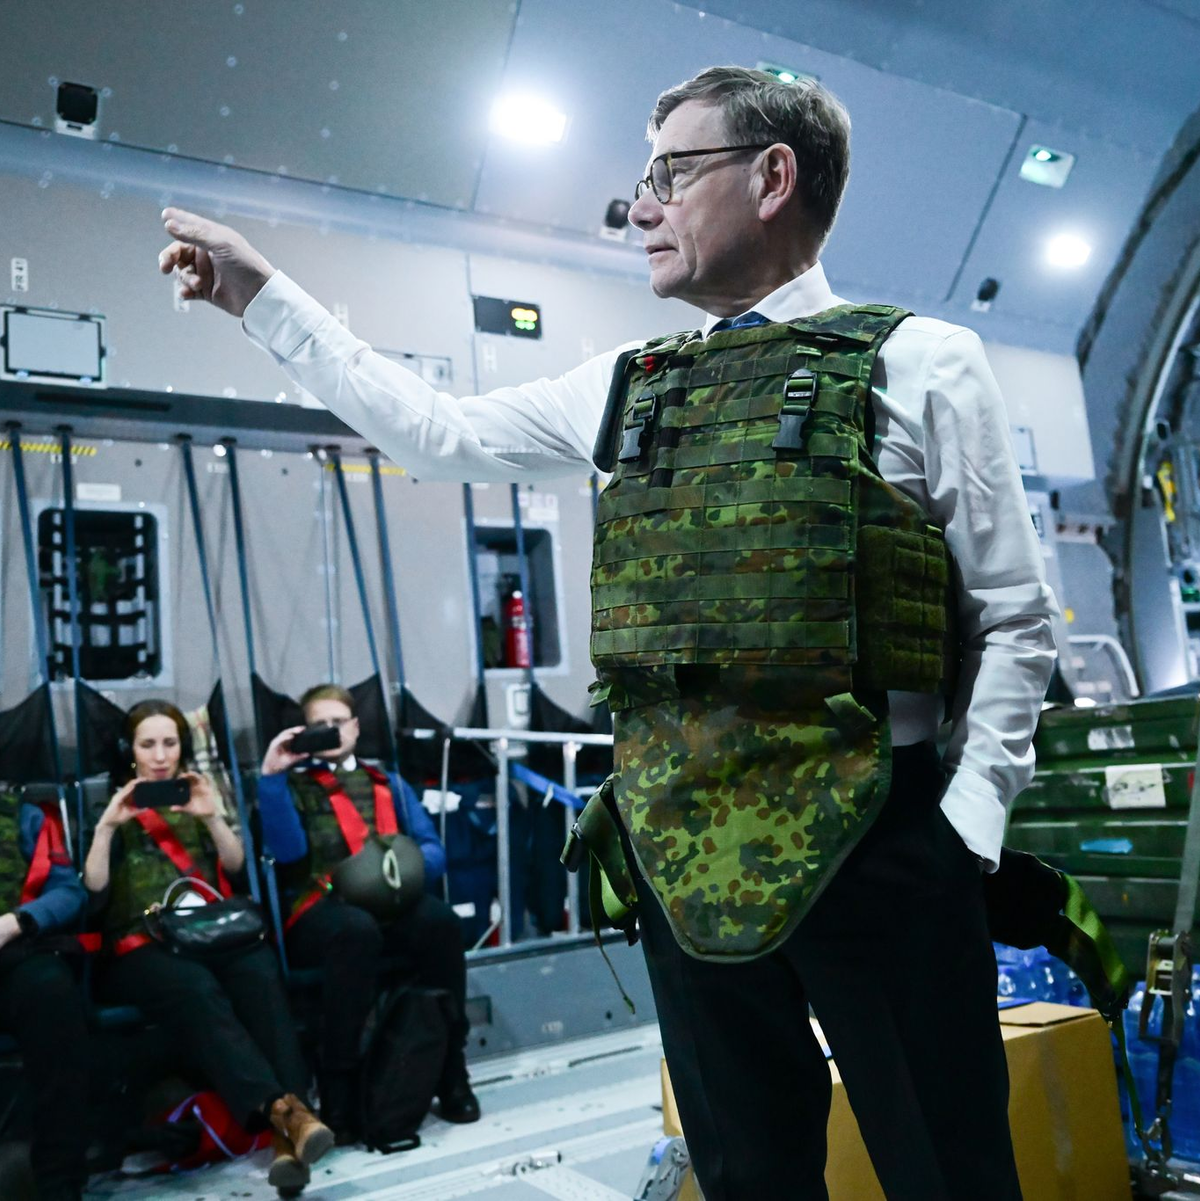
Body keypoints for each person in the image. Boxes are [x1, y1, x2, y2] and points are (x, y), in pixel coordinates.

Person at [157, 66, 1057, 1200]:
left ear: (774, 177)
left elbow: (1016, 618)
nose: (643, 209)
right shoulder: (628, 386)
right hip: (682, 851)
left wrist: (962, 831)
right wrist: (265, 299)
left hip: (882, 846)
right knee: (748, 1180)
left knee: (951, 1172)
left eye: (673, 175)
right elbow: (436, 431)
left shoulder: (922, 362)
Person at [84, 700, 333, 1196]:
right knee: (197, 990)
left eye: (169, 743)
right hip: (141, 943)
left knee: (260, 972)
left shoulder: (198, 794)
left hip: (210, 930)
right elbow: (92, 892)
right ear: (130, 751)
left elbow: (237, 867)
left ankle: (287, 1141)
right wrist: (108, 826)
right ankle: (288, 1116)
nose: (160, 756)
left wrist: (213, 817)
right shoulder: (110, 807)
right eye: (148, 744)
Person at [256, 684, 477, 1140]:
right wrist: (272, 778)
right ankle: (339, 1087)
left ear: (356, 727)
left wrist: (404, 869)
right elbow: (288, 854)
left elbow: (430, 848)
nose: (332, 730)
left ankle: (451, 1069)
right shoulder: (291, 786)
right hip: (323, 910)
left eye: (339, 721)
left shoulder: (388, 784)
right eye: (319, 724)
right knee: (355, 933)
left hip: (391, 899)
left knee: (440, 924)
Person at [0, 788, 89, 1201]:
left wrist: (17, 921)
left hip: (14, 949)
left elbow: (68, 892)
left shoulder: (26, 816)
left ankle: (59, 1181)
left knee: (52, 992)